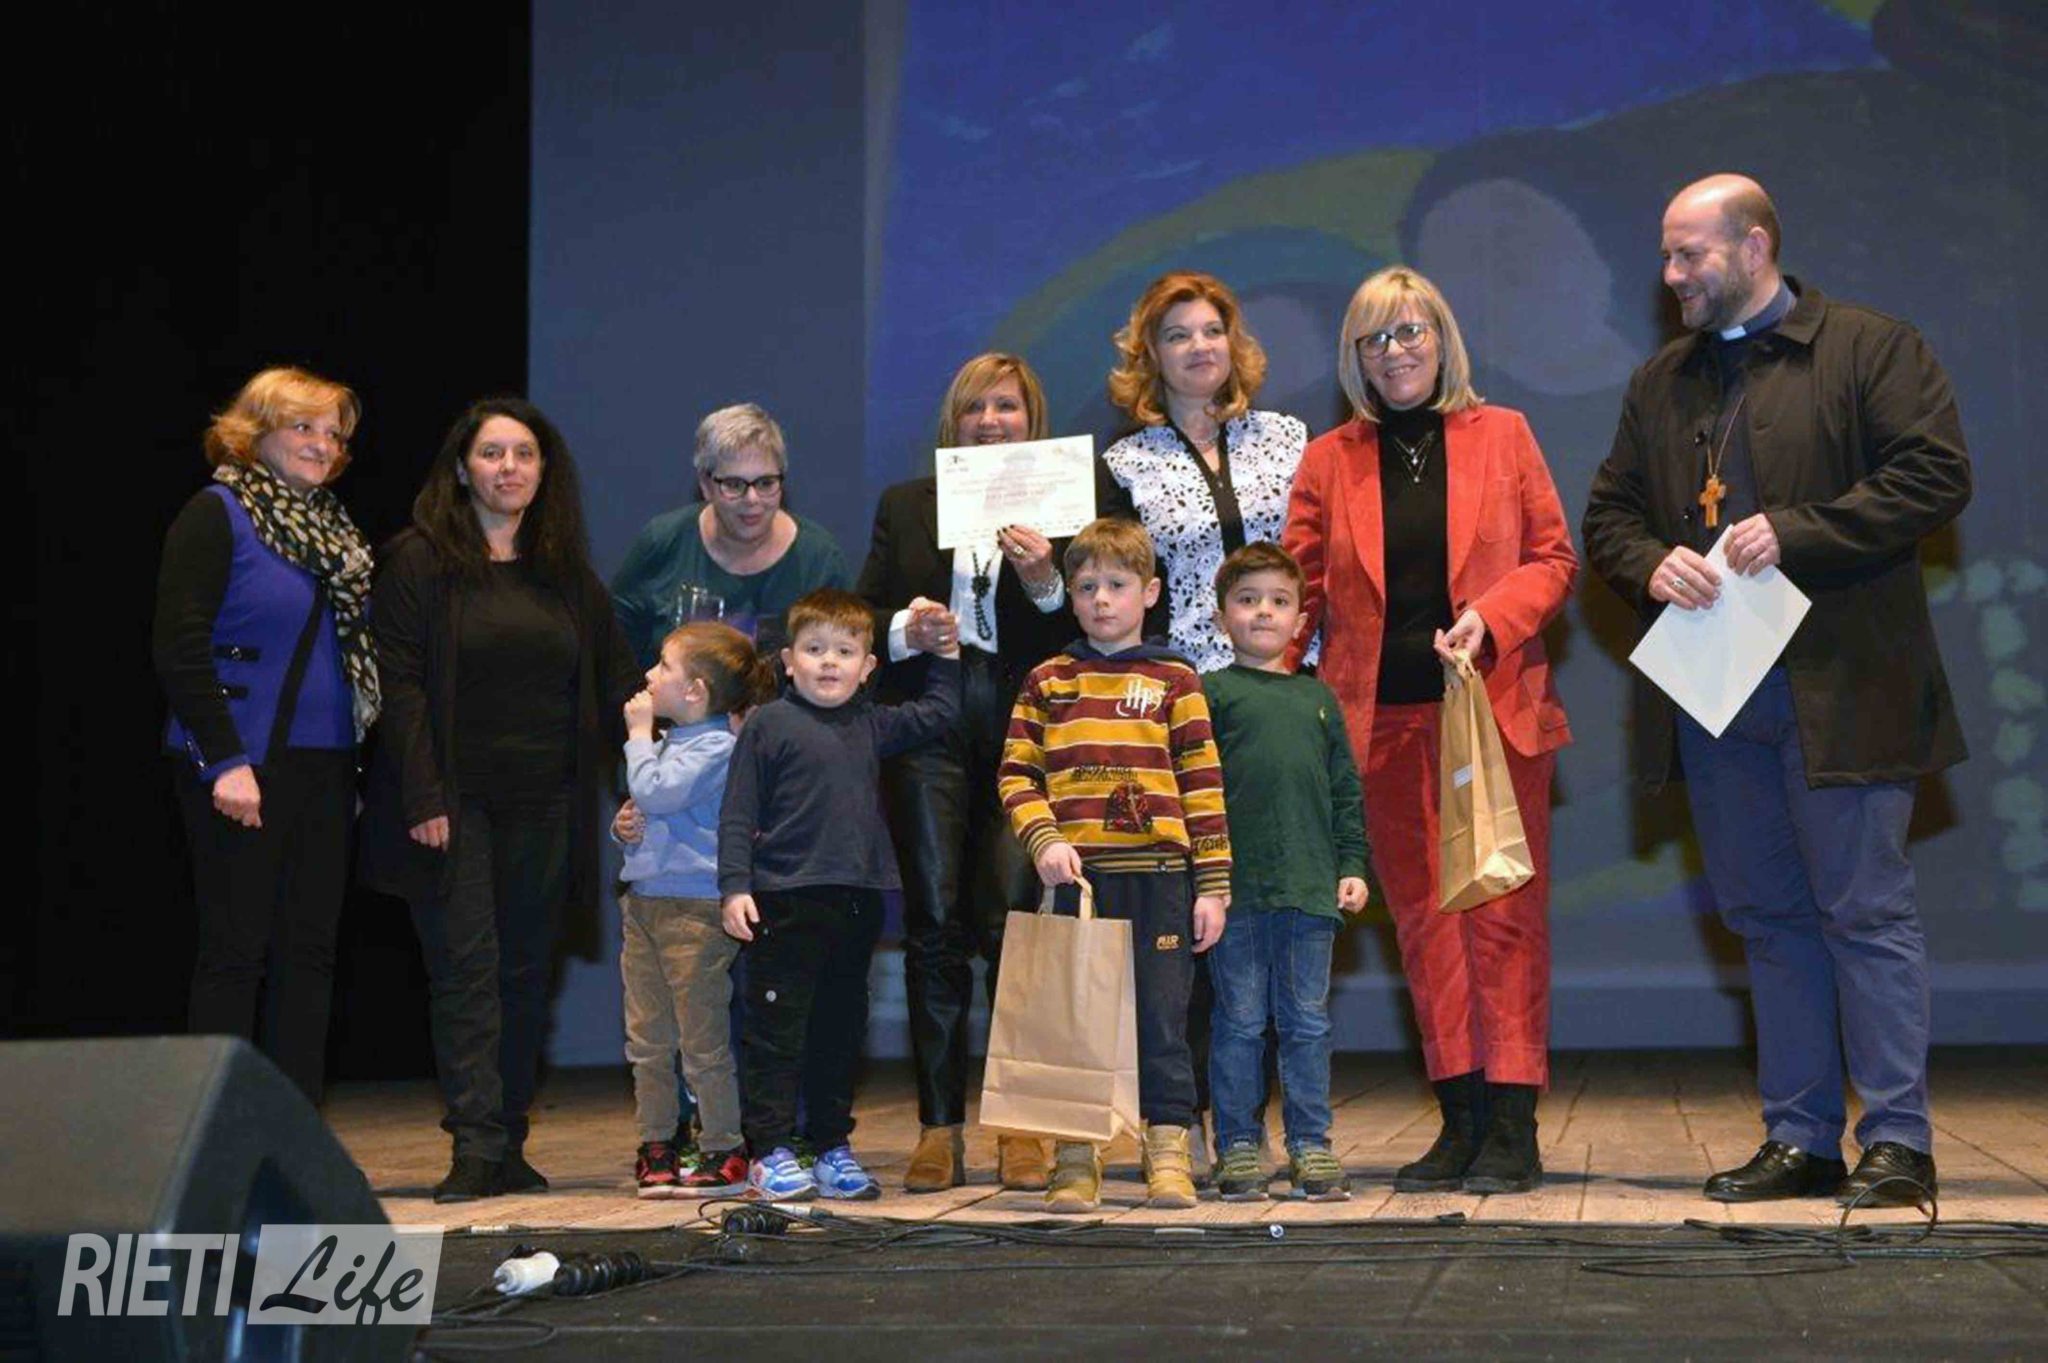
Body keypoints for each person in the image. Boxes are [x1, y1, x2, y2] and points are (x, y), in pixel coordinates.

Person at [1582, 174, 1970, 1208]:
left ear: (1754, 246)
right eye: (1666, 255)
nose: (1670, 275)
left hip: (1845, 688)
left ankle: (1898, 1139)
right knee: (1765, 919)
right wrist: (1648, 564)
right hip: (1718, 696)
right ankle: (1800, 1137)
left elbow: (1934, 476)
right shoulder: (1661, 382)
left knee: (1864, 912)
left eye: (1689, 254)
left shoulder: (1869, 348)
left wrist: (1797, 531)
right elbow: (1609, 516)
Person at [1282, 265, 1577, 1195]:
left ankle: (1514, 1125)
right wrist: (1266, 694)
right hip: (1380, 727)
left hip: (1491, 715)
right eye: (1374, 338)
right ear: (1354, 357)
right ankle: (1461, 1119)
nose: (1395, 350)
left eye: (1411, 331)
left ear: (1442, 340)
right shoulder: (1329, 460)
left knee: (1503, 921)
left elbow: (1553, 558)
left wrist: (1491, 616)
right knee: (1426, 928)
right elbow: (1298, 595)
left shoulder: (1505, 434)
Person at [362, 397, 639, 1203]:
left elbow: (620, 687)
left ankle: (509, 1138)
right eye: (492, 453)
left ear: (544, 471)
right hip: (454, 804)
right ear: (462, 468)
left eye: (524, 453)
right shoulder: (418, 561)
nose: (508, 467)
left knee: (525, 973)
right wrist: (423, 795)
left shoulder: (565, 573)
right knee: (468, 971)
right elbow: (400, 688)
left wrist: (690, 738)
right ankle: (475, 1144)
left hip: (546, 803)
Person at [855, 353, 1076, 1193]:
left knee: (1018, 920)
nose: (991, 421)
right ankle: (939, 1125)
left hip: (1028, 729)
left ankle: (1023, 1123)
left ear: (1032, 418)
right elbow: (863, 612)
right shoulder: (906, 504)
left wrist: (1047, 580)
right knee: (935, 919)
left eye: (1007, 406)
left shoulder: (1067, 500)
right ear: (954, 420)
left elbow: (1099, 614)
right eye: (976, 407)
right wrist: (907, 628)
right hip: (931, 729)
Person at [153, 366, 379, 1102]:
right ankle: (215, 1131)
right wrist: (225, 761)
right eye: (303, 427)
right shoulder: (218, 512)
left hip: (325, 766)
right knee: (235, 952)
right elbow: (179, 646)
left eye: (333, 434)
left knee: (310, 955)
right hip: (239, 764)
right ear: (256, 431)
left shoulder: (336, 532)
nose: (323, 444)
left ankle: (293, 1130)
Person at [998, 517, 1231, 1213]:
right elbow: (1016, 774)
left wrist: (1212, 885)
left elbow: (1203, 786)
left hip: (1161, 878)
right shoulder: (1048, 681)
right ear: (1069, 596)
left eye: (1118, 585)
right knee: (1077, 1020)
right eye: (1086, 587)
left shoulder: (1177, 681)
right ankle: (1076, 1158)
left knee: (1163, 1021)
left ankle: (1168, 1151)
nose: (1102, 599)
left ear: (1150, 592)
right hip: (1078, 881)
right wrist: (1043, 840)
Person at [718, 588, 961, 1201]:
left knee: (839, 1032)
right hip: (783, 901)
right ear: (788, 661)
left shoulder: (870, 723)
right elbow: (738, 811)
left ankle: (831, 1146)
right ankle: (769, 1149)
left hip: (856, 903)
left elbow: (938, 712)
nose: (829, 661)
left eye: (845, 651)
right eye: (814, 649)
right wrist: (735, 886)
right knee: (777, 1033)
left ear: (868, 667)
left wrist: (947, 653)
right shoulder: (768, 724)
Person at [1201, 543, 1372, 1202]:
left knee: (1307, 1023)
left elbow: (1345, 792)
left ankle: (1311, 1144)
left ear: (1301, 618)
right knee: (1239, 1022)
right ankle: (1238, 1143)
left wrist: (1352, 864)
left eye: (1278, 601)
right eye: (1247, 601)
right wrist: (1204, 878)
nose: (1263, 612)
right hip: (1236, 894)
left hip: (1309, 891)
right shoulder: (1210, 694)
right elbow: (1194, 792)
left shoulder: (1318, 699)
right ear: (1222, 617)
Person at [616, 623, 777, 1198]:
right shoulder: (671, 744)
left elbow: (658, 792)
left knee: (702, 1038)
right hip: (644, 905)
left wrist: (638, 735)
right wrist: (624, 828)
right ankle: (658, 1142)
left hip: (694, 910)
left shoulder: (717, 749)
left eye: (663, 666)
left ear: (695, 691)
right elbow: (649, 806)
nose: (649, 676)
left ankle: (723, 1146)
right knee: (647, 1039)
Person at [1098, 270, 1309, 673]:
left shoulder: (1290, 439)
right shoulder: (1124, 466)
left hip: (1293, 675)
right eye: (1178, 336)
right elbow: (1116, 587)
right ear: (1152, 355)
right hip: (1184, 684)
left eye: (1213, 331)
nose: (1200, 346)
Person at [612, 402, 852, 665]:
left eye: (766, 483)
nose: (752, 499)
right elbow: (612, 649)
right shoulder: (663, 542)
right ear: (706, 485)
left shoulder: (820, 561)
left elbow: (846, 664)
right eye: (734, 485)